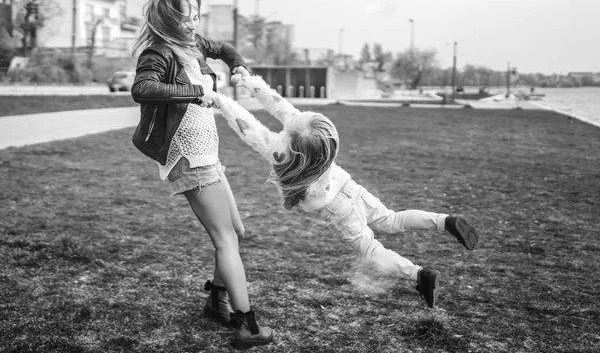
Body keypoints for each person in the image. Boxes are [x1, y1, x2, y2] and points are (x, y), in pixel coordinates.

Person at [204, 74, 480, 309]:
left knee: (372, 249)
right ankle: (445, 221)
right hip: (350, 188)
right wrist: (248, 81)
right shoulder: (315, 136)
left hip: (335, 208)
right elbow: (276, 103)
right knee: (391, 220)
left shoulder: (282, 152)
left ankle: (419, 276)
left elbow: (247, 126)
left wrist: (220, 100)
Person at [130, 0, 272, 349]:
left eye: (196, 16)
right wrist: (196, 92)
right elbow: (142, 89)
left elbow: (223, 48)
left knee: (236, 232)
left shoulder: (193, 45)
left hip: (208, 153)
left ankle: (215, 301)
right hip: (187, 158)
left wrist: (238, 66)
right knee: (226, 239)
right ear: (168, 18)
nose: (193, 24)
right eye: (186, 17)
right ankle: (248, 324)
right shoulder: (157, 53)